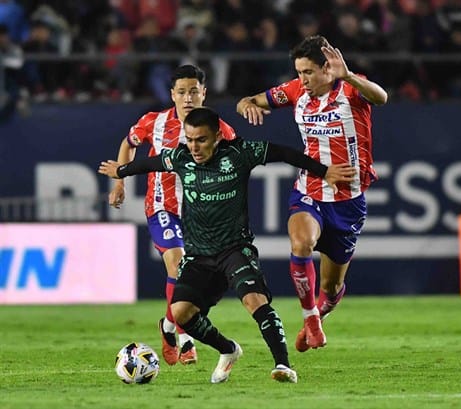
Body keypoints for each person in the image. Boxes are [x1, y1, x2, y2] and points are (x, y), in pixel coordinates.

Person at [99, 106, 356, 383]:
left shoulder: (239, 153)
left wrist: (323, 171)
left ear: (218, 136)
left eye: (202, 140)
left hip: (235, 249)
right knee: (180, 313)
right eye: (190, 139)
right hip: (198, 256)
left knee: (254, 302)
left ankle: (283, 365)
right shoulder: (181, 158)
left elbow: (283, 153)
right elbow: (151, 163)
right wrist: (122, 171)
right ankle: (228, 350)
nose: (194, 147)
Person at [235, 35, 388, 352]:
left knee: (331, 287)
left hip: (348, 201)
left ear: (326, 69)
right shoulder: (294, 91)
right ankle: (310, 319)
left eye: (307, 72)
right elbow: (249, 100)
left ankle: (322, 308)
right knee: (301, 242)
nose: (301, 79)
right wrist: (246, 105)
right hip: (310, 189)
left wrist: (348, 76)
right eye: (299, 71)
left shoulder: (351, 90)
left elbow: (382, 98)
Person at [108, 64, 236, 366]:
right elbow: (129, 144)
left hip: (201, 214)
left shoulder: (220, 129)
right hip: (162, 208)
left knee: (199, 282)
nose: (188, 97)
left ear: (204, 93)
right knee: (178, 263)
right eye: (182, 92)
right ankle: (186, 340)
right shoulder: (154, 122)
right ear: (172, 94)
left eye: (194, 91)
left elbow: (236, 162)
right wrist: (120, 181)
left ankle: (168, 325)